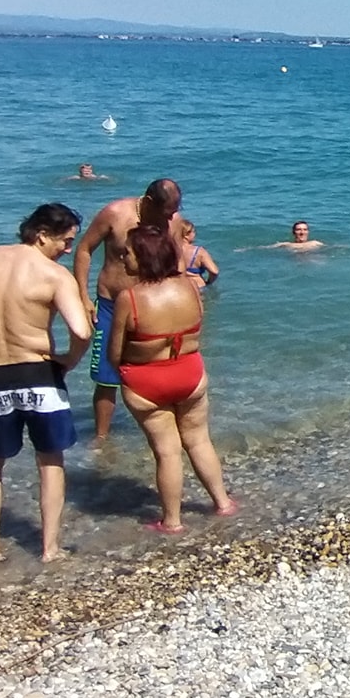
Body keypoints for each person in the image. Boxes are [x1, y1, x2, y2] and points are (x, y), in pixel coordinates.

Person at [0, 203, 93, 562]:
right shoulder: (55, 276)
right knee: (50, 461)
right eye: (66, 241)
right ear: (42, 234)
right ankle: (49, 548)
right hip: (39, 376)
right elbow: (81, 330)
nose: (69, 249)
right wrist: (70, 360)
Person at [108, 223, 236, 531]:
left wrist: (126, 371)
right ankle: (223, 503)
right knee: (199, 440)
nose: (123, 258)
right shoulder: (191, 287)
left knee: (167, 452)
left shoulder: (130, 298)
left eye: (128, 253)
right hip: (189, 374)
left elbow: (114, 353)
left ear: (144, 256)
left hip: (146, 382)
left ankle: (172, 521)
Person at [73, 178, 183, 442]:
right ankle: (101, 439)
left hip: (151, 306)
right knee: (106, 377)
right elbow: (84, 250)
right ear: (147, 202)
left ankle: (165, 431)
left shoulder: (174, 222)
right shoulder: (114, 214)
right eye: (165, 211)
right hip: (111, 302)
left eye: (174, 211)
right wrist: (83, 297)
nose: (170, 218)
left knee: (162, 369)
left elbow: (176, 264)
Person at [177, 219, 220, 290]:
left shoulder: (171, 249)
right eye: (193, 232)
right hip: (197, 287)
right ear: (186, 235)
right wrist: (209, 283)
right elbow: (214, 271)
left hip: (179, 287)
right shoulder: (199, 251)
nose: (195, 234)